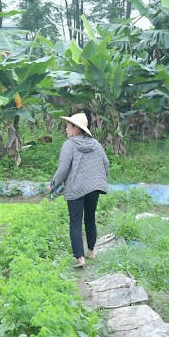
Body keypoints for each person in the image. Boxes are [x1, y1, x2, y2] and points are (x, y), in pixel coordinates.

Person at [48, 112, 110, 268]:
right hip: (94, 187)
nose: (66, 129)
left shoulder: (69, 145)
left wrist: (53, 184)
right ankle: (91, 251)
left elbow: (63, 169)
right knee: (90, 218)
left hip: (76, 187)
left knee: (75, 221)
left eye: (68, 126)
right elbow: (106, 164)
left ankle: (80, 259)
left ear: (76, 128)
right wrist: (100, 180)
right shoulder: (96, 144)